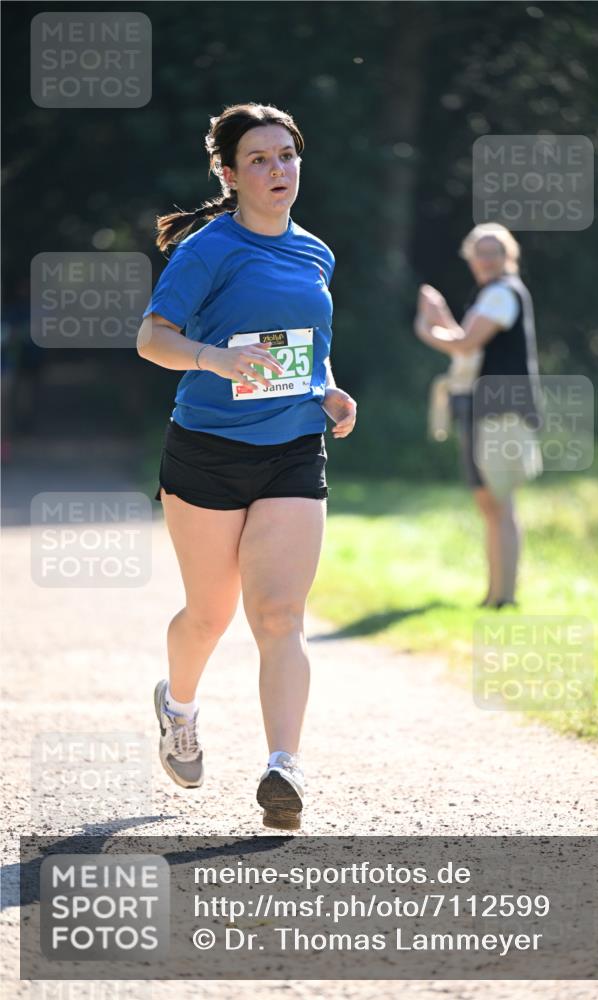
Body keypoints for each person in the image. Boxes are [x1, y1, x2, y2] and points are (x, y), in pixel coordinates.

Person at [136, 103, 357, 830]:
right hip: (207, 449)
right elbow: (152, 338)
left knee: (279, 613)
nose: (277, 170)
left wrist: (326, 388)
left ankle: (282, 768)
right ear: (227, 175)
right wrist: (213, 357)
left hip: (293, 446)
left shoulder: (315, 252)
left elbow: (305, 345)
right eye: (258, 159)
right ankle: (179, 707)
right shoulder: (208, 250)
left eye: (286, 155)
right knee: (209, 615)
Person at [414, 223, 541, 609]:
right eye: (479, 252)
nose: (486, 260)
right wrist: (441, 317)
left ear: (509, 257)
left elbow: (465, 343)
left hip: (501, 409)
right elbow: (468, 345)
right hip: (486, 408)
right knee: (490, 505)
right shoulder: (491, 295)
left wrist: (426, 327)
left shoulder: (502, 294)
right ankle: (495, 594)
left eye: (494, 252)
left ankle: (504, 597)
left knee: (499, 503)